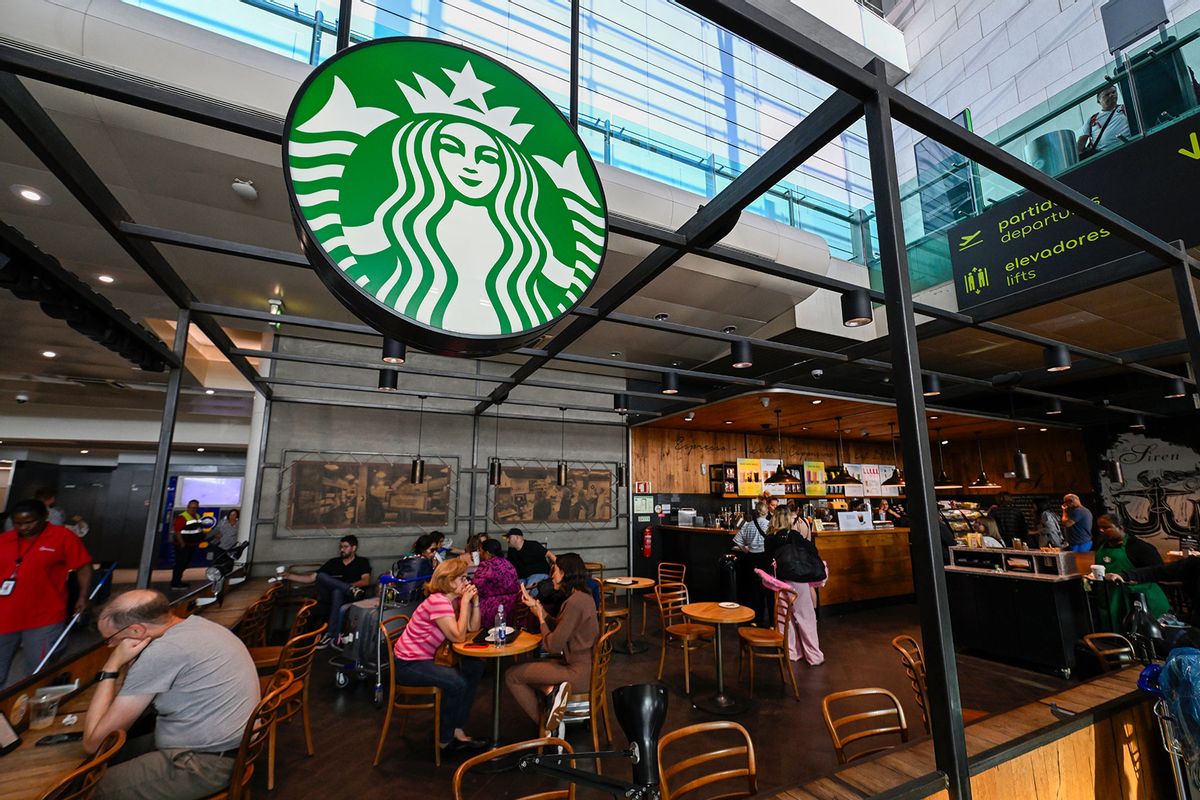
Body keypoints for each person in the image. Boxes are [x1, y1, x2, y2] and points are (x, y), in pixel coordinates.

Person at [86, 589, 259, 800]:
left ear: (137, 631)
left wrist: (111, 665)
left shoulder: (162, 652)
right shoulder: (198, 625)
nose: (111, 646)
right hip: (229, 747)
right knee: (102, 761)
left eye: (110, 639)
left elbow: (94, 743)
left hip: (205, 763)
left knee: (87, 788)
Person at [392, 559, 486, 753]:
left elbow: (473, 628)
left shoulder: (450, 601)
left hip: (426, 658)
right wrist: (467, 601)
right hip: (409, 663)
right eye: (462, 578)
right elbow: (459, 636)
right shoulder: (439, 602)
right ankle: (444, 740)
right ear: (450, 581)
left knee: (474, 667)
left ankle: (456, 729)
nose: (466, 582)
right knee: (457, 682)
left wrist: (474, 602)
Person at [0, 499, 93, 686]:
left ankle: (33, 709)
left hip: (44, 616)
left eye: (29, 522)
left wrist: (83, 597)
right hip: (5, 615)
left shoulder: (62, 537)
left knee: (38, 670)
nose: (24, 527)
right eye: (18, 523)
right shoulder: (4, 540)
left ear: (44, 517)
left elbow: (83, 567)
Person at [506, 552, 599, 737]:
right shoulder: (584, 597)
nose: (552, 576)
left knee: (512, 675)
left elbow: (552, 646)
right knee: (532, 673)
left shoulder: (573, 603)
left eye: (554, 571)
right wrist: (539, 609)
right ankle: (552, 694)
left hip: (577, 673)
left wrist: (540, 619)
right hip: (586, 668)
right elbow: (562, 628)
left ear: (564, 573)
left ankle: (548, 728)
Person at [283, 535, 371, 647]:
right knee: (321, 576)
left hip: (351, 598)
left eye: (345, 547)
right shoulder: (333, 562)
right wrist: (288, 576)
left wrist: (342, 587)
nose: (342, 549)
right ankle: (349, 589)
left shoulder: (362, 562)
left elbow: (365, 581)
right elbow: (311, 578)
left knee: (337, 592)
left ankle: (330, 634)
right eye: (341, 547)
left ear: (354, 548)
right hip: (329, 596)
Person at [1093, 514, 1169, 630]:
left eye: (1106, 527)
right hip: (1111, 596)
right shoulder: (1101, 546)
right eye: (1100, 528)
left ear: (1121, 527)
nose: (1102, 531)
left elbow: (1158, 572)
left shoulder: (1140, 548)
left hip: (1137, 598)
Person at [772, 511, 824, 666]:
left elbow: (768, 559)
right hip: (799, 580)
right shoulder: (797, 537)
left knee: (785, 619)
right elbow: (813, 552)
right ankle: (814, 655)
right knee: (805, 617)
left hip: (779, 582)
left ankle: (791, 652)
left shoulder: (773, 538)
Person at [474, 538, 520, 632]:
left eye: (481, 551)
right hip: (512, 607)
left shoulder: (486, 566)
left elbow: (476, 586)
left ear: (487, 552)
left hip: (492, 609)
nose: (480, 553)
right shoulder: (508, 563)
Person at [5, 487, 89, 537]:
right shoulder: (54, 514)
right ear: (52, 499)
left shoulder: (17, 512)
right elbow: (57, 534)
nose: (24, 527)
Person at [1077, 85, 1130, 157]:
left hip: (1126, 149)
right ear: (1099, 100)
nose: (1111, 95)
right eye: (1107, 95)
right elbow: (1081, 143)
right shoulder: (1092, 119)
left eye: (1113, 92)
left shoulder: (1125, 108)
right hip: (1102, 156)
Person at [170, 499, 205, 590]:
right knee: (180, 563)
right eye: (191, 507)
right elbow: (177, 531)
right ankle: (175, 583)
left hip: (192, 544)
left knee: (185, 563)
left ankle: (178, 581)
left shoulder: (197, 516)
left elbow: (198, 529)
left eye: (195, 507)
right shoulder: (182, 517)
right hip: (184, 545)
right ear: (188, 507)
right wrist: (182, 543)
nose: (193, 509)